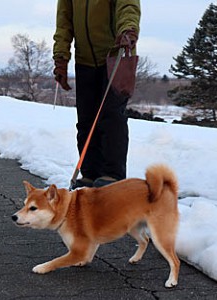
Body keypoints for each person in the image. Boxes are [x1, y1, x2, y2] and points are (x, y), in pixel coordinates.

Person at [53, 0, 141, 188]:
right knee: (86, 119)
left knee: (111, 117)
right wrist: (61, 56)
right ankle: (90, 174)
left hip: (116, 55)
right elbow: (64, 21)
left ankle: (113, 175)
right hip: (85, 60)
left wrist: (129, 29)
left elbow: (128, 6)